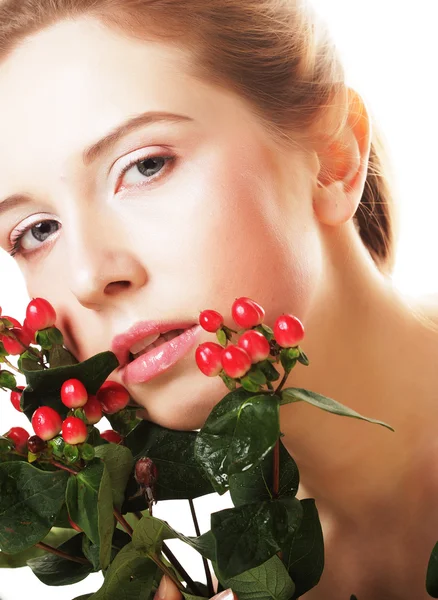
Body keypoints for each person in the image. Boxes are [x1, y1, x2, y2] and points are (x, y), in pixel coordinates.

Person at [0, 1, 437, 598]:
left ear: (334, 157)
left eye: (146, 165)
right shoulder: (253, 575)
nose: (86, 275)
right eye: (37, 230)